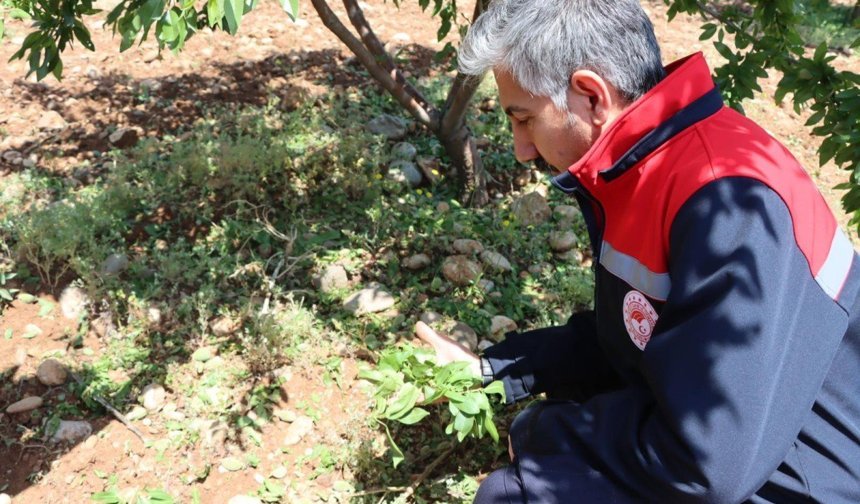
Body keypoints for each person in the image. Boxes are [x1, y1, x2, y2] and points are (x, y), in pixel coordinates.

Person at [414, 0, 860, 502]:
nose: (521, 147)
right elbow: (634, 336)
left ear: (589, 94)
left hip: (808, 477)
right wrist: (495, 371)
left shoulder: (726, 204)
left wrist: (543, 433)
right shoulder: (644, 162)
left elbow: (707, 464)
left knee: (514, 495)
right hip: (757, 447)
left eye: (525, 119)